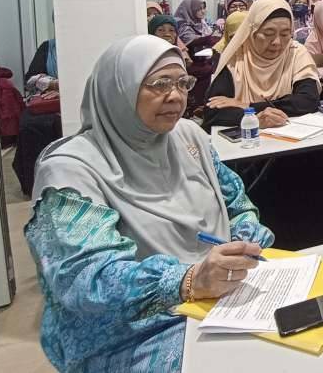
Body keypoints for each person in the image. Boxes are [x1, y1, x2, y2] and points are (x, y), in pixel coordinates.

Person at [26, 35, 273, 372]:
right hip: (132, 329)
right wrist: (188, 280)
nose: (175, 96)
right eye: (159, 84)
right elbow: (86, 278)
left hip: (223, 297)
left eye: (182, 83)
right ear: (120, 91)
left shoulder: (189, 137)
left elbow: (237, 204)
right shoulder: (71, 171)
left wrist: (246, 241)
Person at [204, 0, 323, 247]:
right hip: (253, 156)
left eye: (285, 34)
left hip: (302, 149)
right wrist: (258, 118)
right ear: (253, 30)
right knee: (266, 196)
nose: (277, 43)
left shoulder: (296, 53)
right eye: (268, 34)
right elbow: (213, 113)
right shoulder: (235, 60)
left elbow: (306, 101)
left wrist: (245, 108)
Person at [14, 39, 63, 196]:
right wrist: (54, 83)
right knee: (30, 126)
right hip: (49, 100)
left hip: (76, 99)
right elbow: (31, 79)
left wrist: (67, 89)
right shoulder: (48, 47)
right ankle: (36, 183)